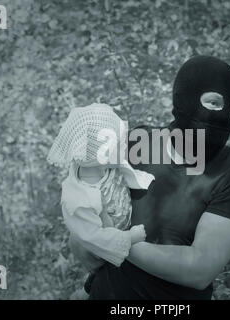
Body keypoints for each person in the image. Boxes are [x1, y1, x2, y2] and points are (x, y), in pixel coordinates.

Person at [69, 55, 230, 299]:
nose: (225, 115)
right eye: (214, 103)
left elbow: (198, 269)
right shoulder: (135, 144)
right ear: (185, 100)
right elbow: (82, 239)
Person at [47, 103, 155, 298]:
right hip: (105, 243)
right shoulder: (79, 197)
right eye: (115, 143)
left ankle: (88, 289)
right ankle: (88, 290)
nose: (120, 147)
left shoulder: (104, 166)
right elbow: (95, 239)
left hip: (123, 222)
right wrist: (130, 238)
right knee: (106, 268)